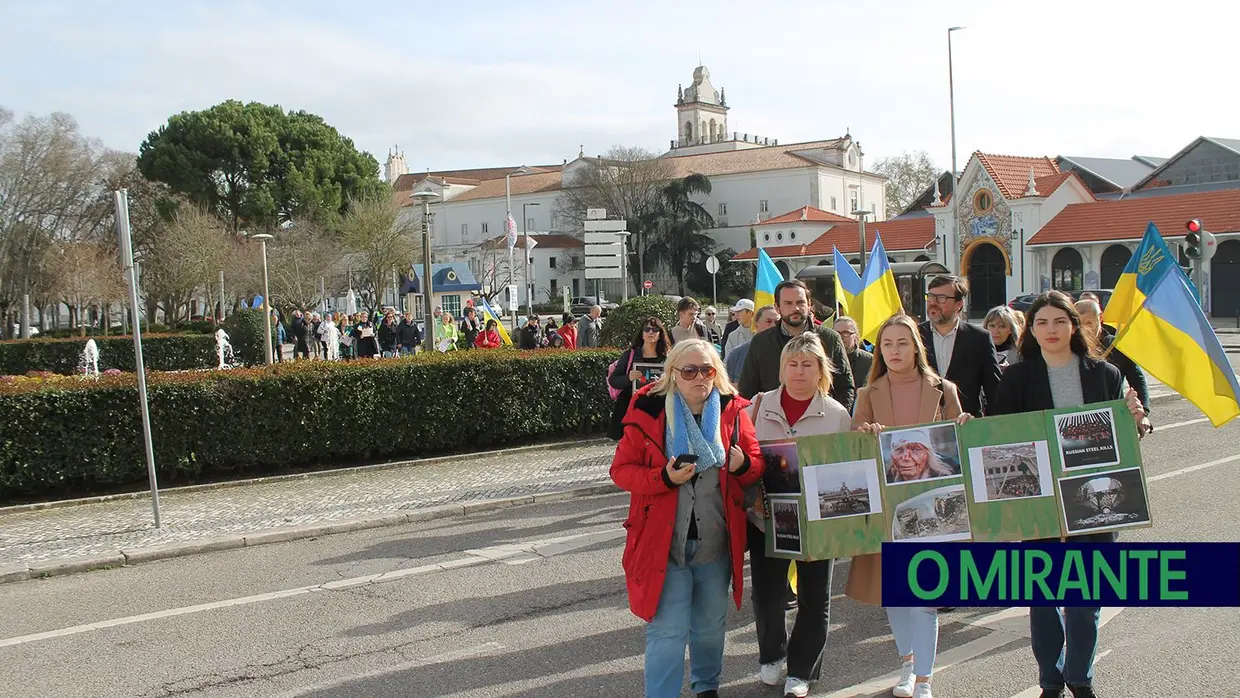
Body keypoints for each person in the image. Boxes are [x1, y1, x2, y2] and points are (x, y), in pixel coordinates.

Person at [990, 292, 1148, 698]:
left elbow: (1123, 440)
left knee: (1085, 597)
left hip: (1095, 499)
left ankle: (1079, 675)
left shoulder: (1105, 374)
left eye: (1060, 321)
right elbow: (998, 439)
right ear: (1031, 330)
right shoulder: (1016, 378)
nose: (1051, 330)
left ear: (1074, 325)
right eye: (1041, 322)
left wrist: (1136, 422)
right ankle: (1050, 678)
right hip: (1039, 502)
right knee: (1043, 597)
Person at [610, 338, 764, 698]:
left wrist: (742, 465)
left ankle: (706, 688)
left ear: (717, 373)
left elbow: (756, 462)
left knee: (710, 626)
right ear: (673, 374)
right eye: (689, 370)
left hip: (715, 540)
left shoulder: (733, 411)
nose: (699, 377)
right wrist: (662, 478)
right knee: (667, 630)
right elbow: (621, 470)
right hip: (663, 544)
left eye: (707, 370)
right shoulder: (647, 409)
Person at [849, 313, 972, 698]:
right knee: (895, 594)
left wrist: (968, 425)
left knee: (925, 596)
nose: (894, 350)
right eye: (887, 344)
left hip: (935, 511)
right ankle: (906, 664)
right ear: (879, 350)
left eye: (902, 342)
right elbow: (852, 451)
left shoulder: (944, 388)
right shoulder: (867, 395)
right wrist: (864, 436)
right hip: (888, 511)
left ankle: (923, 678)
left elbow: (963, 446)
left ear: (916, 346)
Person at [745, 333, 852, 697]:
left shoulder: (837, 414)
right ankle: (772, 653)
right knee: (767, 594)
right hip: (766, 519)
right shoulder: (757, 407)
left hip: (817, 522)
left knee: (814, 597)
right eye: (792, 364)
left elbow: (846, 469)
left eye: (808, 364)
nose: (799, 371)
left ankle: (802, 669)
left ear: (821, 369)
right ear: (781, 368)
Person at [738, 279, 854, 411]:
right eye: (788, 303)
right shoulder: (761, 342)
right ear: (777, 307)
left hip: (821, 422)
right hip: (773, 421)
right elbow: (747, 389)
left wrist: (837, 419)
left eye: (800, 302)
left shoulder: (830, 339)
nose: (795, 308)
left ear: (809, 304)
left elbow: (845, 386)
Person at [918, 275, 1002, 417]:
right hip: (926, 425)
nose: (933, 303)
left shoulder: (979, 338)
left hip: (968, 424)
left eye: (941, 298)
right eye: (930, 297)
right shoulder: (915, 336)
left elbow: (994, 390)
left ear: (959, 304)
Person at [1076, 299, 1152, 428]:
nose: (1085, 329)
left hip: (1114, 416)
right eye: (1080, 324)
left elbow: (1137, 379)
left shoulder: (1117, 347)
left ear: (1100, 318)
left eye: (1089, 323)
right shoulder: (1070, 348)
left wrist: (1143, 413)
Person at [606, 317, 671, 440]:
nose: (650, 332)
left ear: (660, 333)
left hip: (657, 408)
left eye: (654, 329)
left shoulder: (667, 358)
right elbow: (613, 380)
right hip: (630, 407)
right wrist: (628, 378)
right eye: (647, 329)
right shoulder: (630, 354)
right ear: (642, 333)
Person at [725, 305, 778, 381]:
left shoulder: (788, 353)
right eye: (768, 321)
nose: (773, 326)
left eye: (777, 322)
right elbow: (726, 385)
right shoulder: (737, 354)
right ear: (756, 324)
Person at [884, 429, 956, 482]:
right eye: (899, 450)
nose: (906, 457)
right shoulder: (885, 481)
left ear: (927, 454)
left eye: (915, 449)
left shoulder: (950, 477)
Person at [833, 316, 873, 388]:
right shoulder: (827, 359)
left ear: (855, 336)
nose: (840, 337)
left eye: (845, 333)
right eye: (837, 333)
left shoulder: (870, 361)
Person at [984, 305, 1025, 370]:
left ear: (1011, 329)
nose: (996, 331)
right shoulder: (979, 350)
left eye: (1002, 326)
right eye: (992, 325)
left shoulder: (1020, 354)